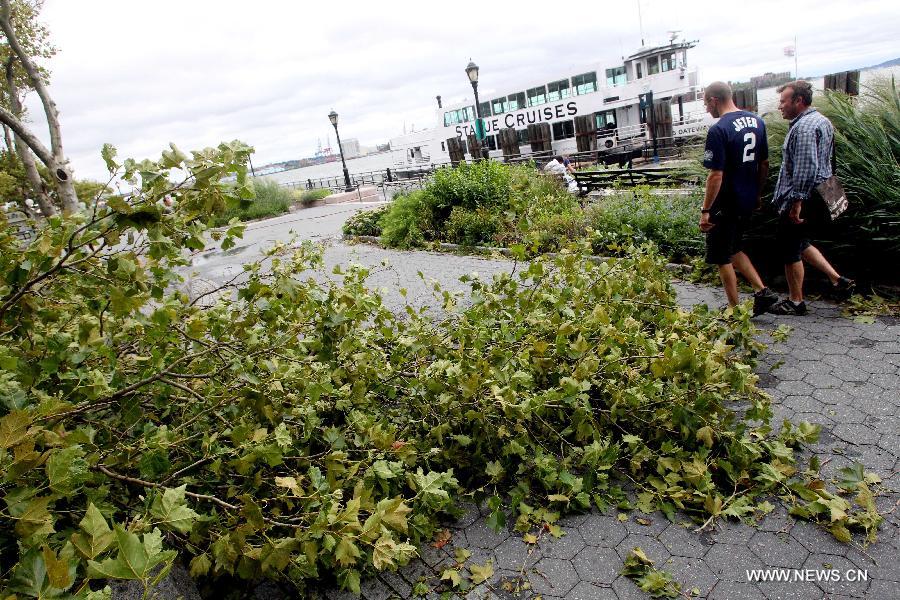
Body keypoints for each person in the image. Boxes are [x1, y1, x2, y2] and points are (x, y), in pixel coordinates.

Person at [769, 80, 854, 315]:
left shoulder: (804, 127)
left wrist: (796, 202)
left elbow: (806, 168)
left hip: (803, 197)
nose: (780, 106)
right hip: (822, 190)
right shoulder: (822, 120)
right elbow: (829, 159)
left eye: (783, 101)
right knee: (800, 242)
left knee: (789, 248)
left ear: (798, 101)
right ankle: (837, 280)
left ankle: (796, 302)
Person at [700, 81, 779, 315]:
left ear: (714, 100)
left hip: (725, 203)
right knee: (734, 248)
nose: (706, 109)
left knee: (721, 256)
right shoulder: (757, 122)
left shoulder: (718, 129)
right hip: (746, 198)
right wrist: (756, 192)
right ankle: (762, 291)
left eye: (706, 104)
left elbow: (715, 175)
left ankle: (734, 310)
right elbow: (764, 163)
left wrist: (706, 210)